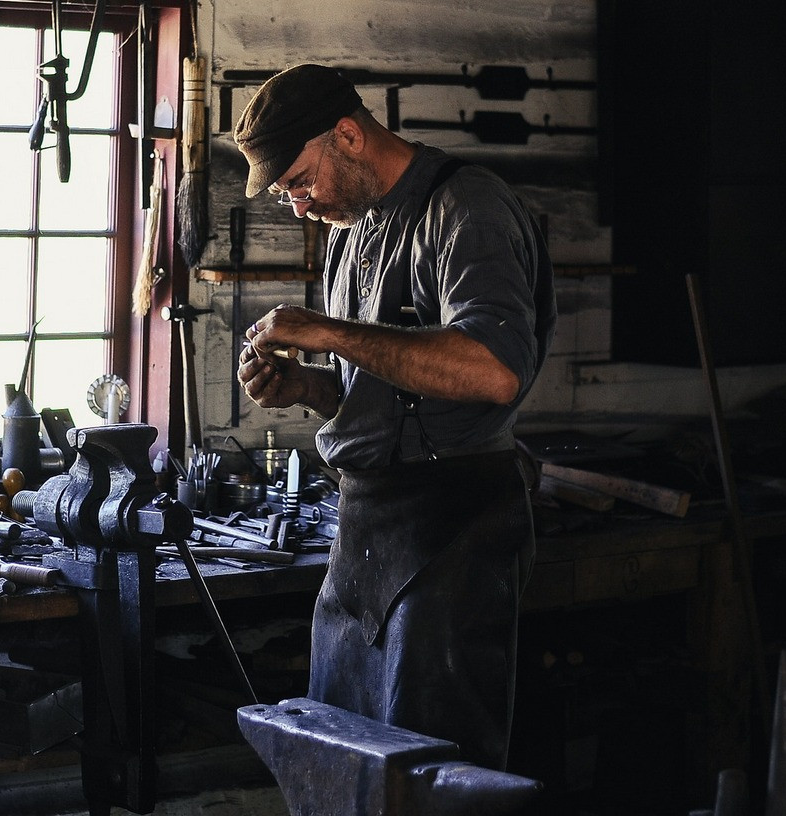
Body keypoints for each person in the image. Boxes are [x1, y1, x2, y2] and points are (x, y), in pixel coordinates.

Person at [232, 63, 557, 771]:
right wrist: (307, 386)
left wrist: (331, 331)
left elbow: (493, 371)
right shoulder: (352, 233)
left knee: (428, 773)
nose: (296, 206)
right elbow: (384, 391)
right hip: (368, 532)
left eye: (298, 181)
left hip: (453, 528)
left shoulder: (464, 207)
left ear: (347, 135)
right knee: (342, 759)